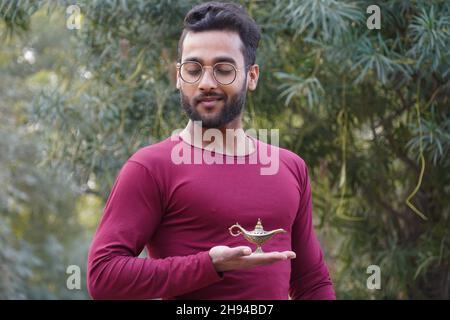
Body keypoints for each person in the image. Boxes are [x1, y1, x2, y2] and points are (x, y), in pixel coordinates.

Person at [87, 1, 336, 300]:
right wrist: (208, 265)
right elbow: (103, 277)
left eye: (223, 69)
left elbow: (312, 283)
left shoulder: (290, 167)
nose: (206, 83)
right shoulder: (150, 167)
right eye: (193, 69)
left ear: (252, 76)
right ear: (179, 76)